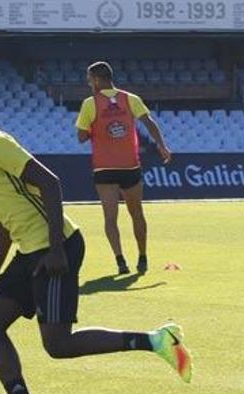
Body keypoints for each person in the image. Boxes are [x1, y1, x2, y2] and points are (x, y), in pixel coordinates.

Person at [0, 74, 192, 394]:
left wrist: (57, 250)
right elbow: (7, 215)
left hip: (56, 247)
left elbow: (50, 183)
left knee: (58, 344)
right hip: (32, 251)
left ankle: (156, 340)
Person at [76, 61, 172, 274]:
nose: (88, 82)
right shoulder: (130, 99)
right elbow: (149, 122)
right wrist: (162, 146)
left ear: (97, 79)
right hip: (130, 165)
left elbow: (81, 137)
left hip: (104, 168)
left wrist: (96, 129)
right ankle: (143, 257)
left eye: (89, 79)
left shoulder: (90, 104)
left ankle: (120, 261)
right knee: (136, 212)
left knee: (110, 218)